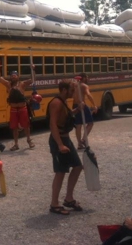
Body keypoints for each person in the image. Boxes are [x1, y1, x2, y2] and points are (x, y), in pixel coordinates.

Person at [48, 80, 85, 215]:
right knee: (60, 172)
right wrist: (60, 145)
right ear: (64, 90)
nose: (73, 93)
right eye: (71, 90)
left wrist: (77, 109)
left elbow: (66, 117)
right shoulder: (56, 103)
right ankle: (54, 204)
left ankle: (69, 198)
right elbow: (53, 125)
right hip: (59, 140)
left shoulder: (63, 103)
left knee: (78, 166)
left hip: (66, 139)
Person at [0, 60, 35, 151]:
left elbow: (32, 79)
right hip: (13, 108)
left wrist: (32, 69)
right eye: (12, 76)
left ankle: (29, 140)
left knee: (26, 125)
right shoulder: (8, 85)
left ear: (18, 77)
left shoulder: (22, 84)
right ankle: (16, 144)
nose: (13, 77)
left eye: (15, 75)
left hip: (22, 108)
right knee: (14, 127)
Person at [73, 73, 98, 150]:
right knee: (90, 123)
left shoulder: (74, 85)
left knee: (78, 125)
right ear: (83, 78)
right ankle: (83, 139)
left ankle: (79, 144)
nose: (88, 79)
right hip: (82, 105)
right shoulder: (84, 86)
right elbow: (88, 94)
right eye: (87, 77)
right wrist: (94, 105)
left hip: (75, 106)